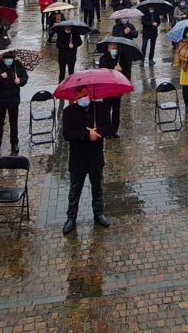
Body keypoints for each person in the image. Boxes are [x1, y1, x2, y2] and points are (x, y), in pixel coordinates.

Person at [61, 85, 112, 235]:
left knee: (98, 188)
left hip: (96, 157)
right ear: (75, 99)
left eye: (84, 95)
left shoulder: (100, 108)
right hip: (78, 158)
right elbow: (67, 133)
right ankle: (71, 218)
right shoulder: (68, 112)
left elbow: (109, 127)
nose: (82, 98)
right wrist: (85, 134)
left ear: (89, 94)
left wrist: (98, 132)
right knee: (74, 191)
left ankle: (99, 213)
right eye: (79, 97)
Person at [0, 52, 27, 157]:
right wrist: (0, 77)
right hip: (0, 100)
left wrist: (21, 80)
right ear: (3, 59)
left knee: (14, 123)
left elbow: (25, 77)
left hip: (13, 100)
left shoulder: (18, 66)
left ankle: (14, 144)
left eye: (11, 58)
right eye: (7, 58)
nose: (9, 60)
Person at [97, 44, 133, 138]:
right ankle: (107, 131)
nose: (114, 50)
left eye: (116, 48)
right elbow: (101, 72)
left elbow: (127, 70)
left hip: (117, 87)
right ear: (108, 49)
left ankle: (114, 130)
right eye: (113, 48)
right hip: (107, 88)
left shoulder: (122, 57)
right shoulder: (103, 58)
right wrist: (113, 69)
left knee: (116, 110)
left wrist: (121, 70)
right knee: (107, 110)